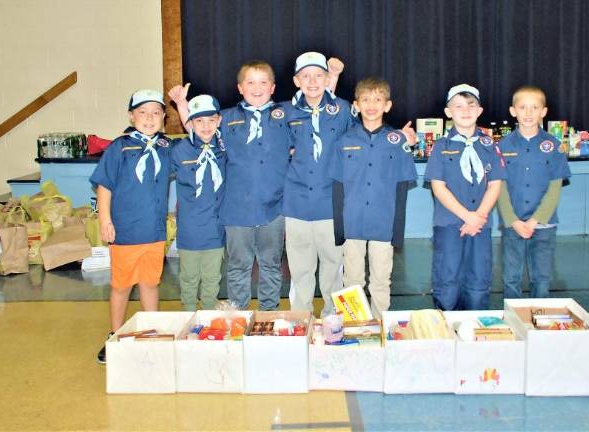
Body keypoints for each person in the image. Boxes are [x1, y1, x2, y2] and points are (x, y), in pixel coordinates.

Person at [168, 60, 342, 311]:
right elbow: (199, 129)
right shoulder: (226, 118)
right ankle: (238, 310)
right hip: (236, 208)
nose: (256, 87)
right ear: (240, 88)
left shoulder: (287, 113)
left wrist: (332, 76)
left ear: (272, 87)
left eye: (263, 82)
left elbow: (320, 107)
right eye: (250, 82)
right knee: (238, 264)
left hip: (274, 207)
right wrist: (183, 105)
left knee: (271, 264)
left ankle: (268, 312)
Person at [90, 89, 171, 364]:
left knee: (150, 283)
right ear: (131, 116)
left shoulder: (166, 147)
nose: (149, 118)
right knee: (122, 286)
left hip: (154, 232)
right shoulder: (119, 147)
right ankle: (114, 335)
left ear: (164, 118)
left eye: (156, 112)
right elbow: (104, 186)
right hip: (124, 232)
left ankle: (151, 332)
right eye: (142, 112)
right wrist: (105, 220)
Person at [329, 76, 417, 319]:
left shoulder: (397, 142)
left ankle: (381, 327)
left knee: (380, 280)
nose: (371, 104)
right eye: (366, 99)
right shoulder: (343, 142)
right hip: (352, 223)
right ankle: (354, 325)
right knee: (352, 280)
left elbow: (402, 189)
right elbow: (337, 187)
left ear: (387, 105)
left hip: (383, 224)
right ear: (356, 105)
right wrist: (340, 228)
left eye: (378, 99)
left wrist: (396, 231)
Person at [284, 52, 354, 317]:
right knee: (300, 268)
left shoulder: (343, 109)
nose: (312, 81)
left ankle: (332, 317)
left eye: (318, 75)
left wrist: (398, 136)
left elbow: (364, 137)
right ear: (296, 80)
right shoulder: (285, 112)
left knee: (333, 265)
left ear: (327, 78)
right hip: (297, 204)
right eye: (306, 76)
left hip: (331, 204)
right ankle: (300, 318)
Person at [424, 84, 505, 311]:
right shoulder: (441, 147)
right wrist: (466, 216)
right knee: (447, 277)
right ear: (448, 112)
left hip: (480, 225)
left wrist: (478, 217)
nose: (465, 110)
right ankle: (447, 329)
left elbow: (495, 184)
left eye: (471, 105)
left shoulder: (490, 145)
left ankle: (475, 329)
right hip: (449, 223)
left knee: (479, 277)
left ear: (479, 111)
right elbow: (438, 188)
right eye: (458, 106)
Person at [497, 85, 571, 298]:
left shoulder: (553, 145)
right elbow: (499, 187)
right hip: (513, 224)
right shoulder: (503, 146)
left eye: (534, 107)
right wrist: (513, 220)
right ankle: (513, 319)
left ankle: (540, 321)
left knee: (542, 277)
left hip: (544, 224)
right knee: (511, 276)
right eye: (522, 107)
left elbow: (555, 188)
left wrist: (536, 220)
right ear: (513, 111)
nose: (528, 113)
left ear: (543, 112)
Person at [169, 94, 227, 310]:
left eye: (211, 120)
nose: (206, 126)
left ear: (219, 121)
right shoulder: (179, 151)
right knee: (189, 278)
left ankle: (209, 315)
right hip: (189, 229)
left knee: (212, 278)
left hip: (215, 229)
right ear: (190, 123)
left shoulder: (224, 147)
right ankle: (189, 315)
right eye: (199, 121)